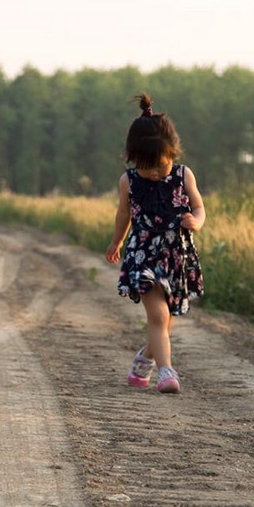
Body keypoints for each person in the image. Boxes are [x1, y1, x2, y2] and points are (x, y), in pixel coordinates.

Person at [105, 93, 206, 394]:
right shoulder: (129, 181)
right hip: (143, 253)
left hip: (176, 254)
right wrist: (116, 242)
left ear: (172, 153)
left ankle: (144, 360)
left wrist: (196, 221)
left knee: (166, 320)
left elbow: (199, 207)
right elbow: (124, 213)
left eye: (159, 166)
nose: (152, 173)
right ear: (133, 159)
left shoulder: (183, 175)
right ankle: (166, 372)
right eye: (145, 166)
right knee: (159, 316)